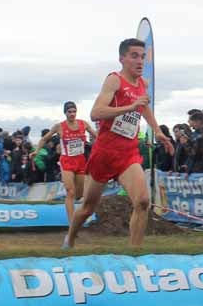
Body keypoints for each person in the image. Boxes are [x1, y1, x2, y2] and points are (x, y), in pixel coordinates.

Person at [63, 38, 173, 249]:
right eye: (134, 56)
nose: (140, 61)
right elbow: (96, 113)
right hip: (104, 154)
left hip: (128, 155)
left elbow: (145, 107)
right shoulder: (114, 80)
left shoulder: (143, 84)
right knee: (87, 208)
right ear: (122, 58)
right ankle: (70, 239)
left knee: (142, 202)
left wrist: (157, 131)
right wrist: (130, 107)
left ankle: (134, 255)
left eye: (142, 57)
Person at [35, 102, 98, 225]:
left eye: (74, 111)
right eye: (69, 112)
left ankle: (80, 213)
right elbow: (44, 139)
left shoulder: (83, 124)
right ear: (65, 113)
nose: (72, 114)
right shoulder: (59, 126)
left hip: (80, 161)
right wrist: (36, 151)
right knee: (70, 191)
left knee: (79, 195)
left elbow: (98, 136)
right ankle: (72, 223)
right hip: (67, 162)